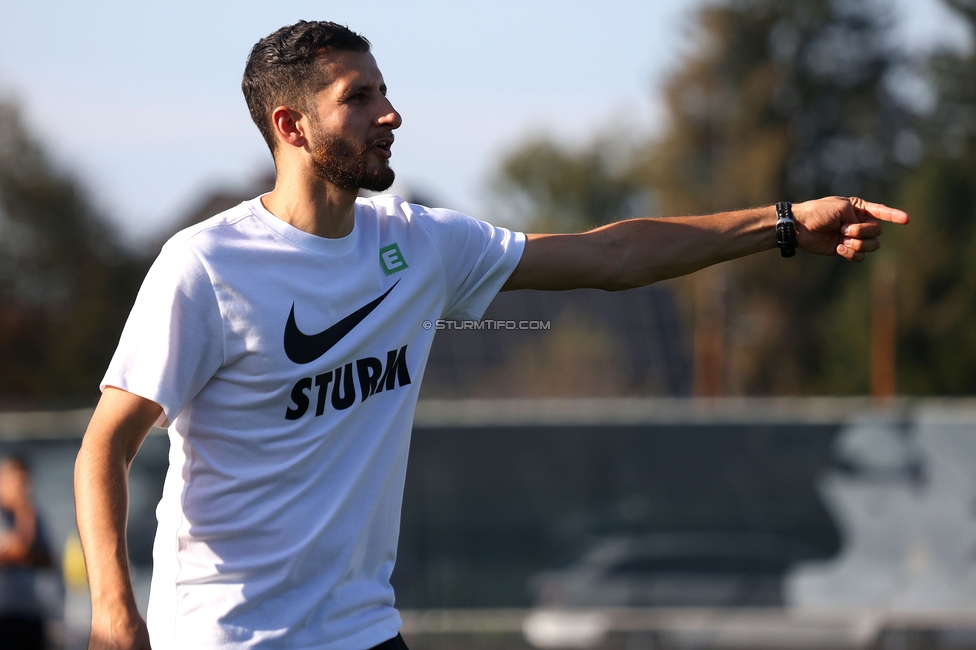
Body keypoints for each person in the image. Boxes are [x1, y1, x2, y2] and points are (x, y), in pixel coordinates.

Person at [73, 20, 909, 650]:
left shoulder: (421, 244)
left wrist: (786, 221)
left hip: (362, 632)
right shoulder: (206, 265)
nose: (389, 113)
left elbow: (614, 255)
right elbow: (105, 444)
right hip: (226, 637)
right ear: (292, 127)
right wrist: (114, 607)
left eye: (383, 90)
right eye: (357, 98)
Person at [0, 456, 55, 650]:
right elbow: (20, 550)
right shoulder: (22, 515)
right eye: (18, 481)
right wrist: (24, 512)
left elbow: (48, 559)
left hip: (29, 613)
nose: (23, 489)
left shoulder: (35, 517)